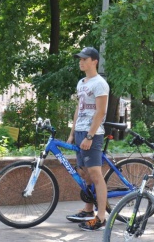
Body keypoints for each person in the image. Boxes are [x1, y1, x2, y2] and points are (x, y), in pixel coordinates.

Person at [65, 47, 110, 231]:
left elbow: (100, 112)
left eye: (84, 59)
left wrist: (90, 136)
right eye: (79, 59)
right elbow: (79, 108)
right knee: (83, 172)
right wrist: (72, 132)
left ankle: (100, 217)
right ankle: (88, 209)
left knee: (95, 174)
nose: (80, 62)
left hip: (93, 133)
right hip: (80, 132)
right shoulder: (81, 82)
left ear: (94, 61)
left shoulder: (100, 83)